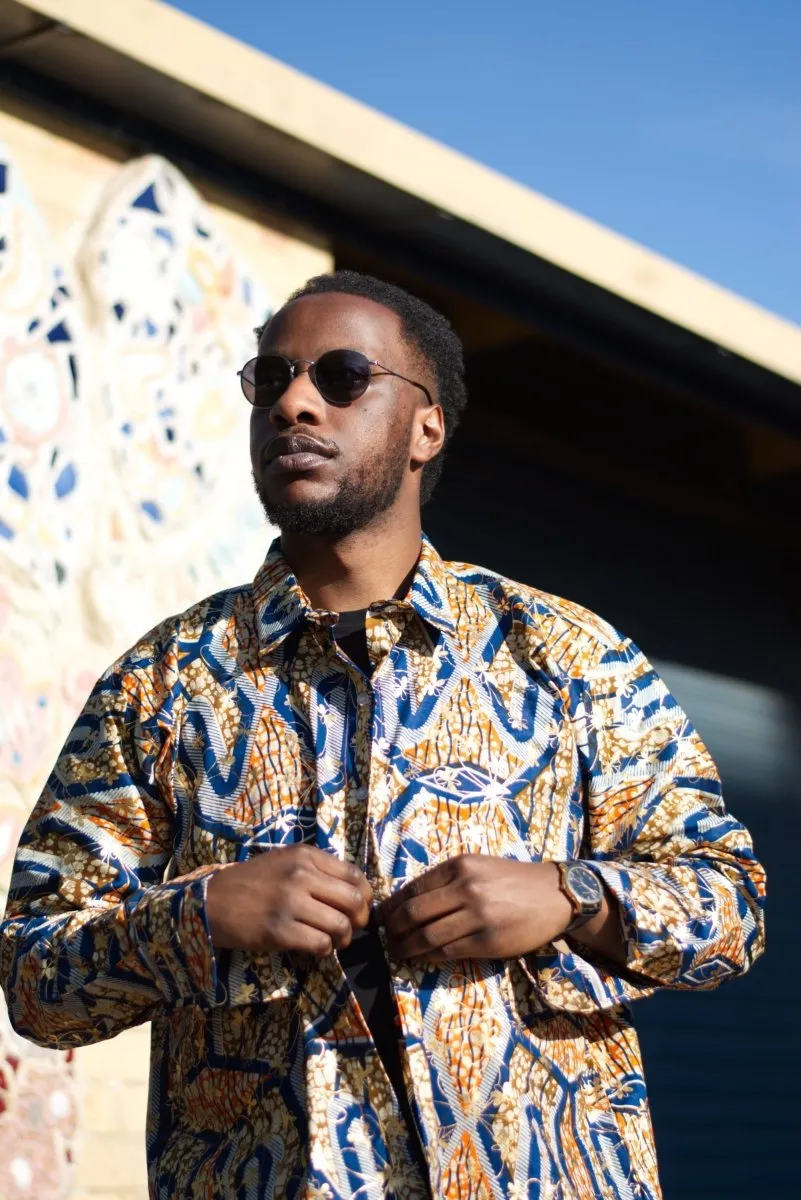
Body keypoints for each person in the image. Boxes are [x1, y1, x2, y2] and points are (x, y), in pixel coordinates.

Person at [0, 271, 765, 1200]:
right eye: (271, 376)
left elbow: (729, 905)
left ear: (425, 426)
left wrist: (568, 896)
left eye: (342, 376)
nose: (293, 400)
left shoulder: (567, 655)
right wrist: (197, 918)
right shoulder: (165, 684)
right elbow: (36, 976)